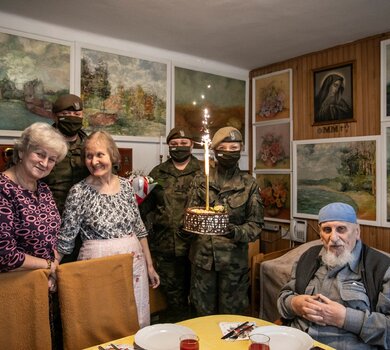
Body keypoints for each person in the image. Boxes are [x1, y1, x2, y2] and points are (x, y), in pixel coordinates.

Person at [56, 131, 160, 328]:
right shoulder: (78, 192)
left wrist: (149, 265)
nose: (94, 161)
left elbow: (139, 228)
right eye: (89, 155)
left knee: (134, 320)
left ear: (112, 155)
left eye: (99, 154)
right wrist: (51, 268)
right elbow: (65, 239)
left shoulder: (127, 186)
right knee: (101, 322)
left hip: (133, 264)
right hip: (97, 266)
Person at [277, 202, 390, 350]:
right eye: (327, 230)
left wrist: (345, 318)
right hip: (298, 343)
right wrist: (295, 304)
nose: (334, 237)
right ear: (321, 234)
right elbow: (283, 299)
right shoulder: (307, 258)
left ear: (357, 232)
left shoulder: (381, 268)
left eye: (341, 229)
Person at [187, 126, 264, 316]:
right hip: (203, 262)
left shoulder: (249, 184)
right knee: (202, 318)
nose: (229, 152)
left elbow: (256, 225)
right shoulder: (200, 180)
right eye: (224, 148)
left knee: (232, 319)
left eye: (234, 148)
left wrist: (234, 231)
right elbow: (189, 216)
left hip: (233, 265)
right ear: (214, 150)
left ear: (241, 149)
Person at [139, 127, 201, 322]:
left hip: (196, 246)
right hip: (166, 247)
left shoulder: (204, 172)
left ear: (192, 145)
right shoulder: (157, 172)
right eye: (174, 145)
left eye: (184, 144)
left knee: (199, 297)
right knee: (174, 301)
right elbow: (144, 208)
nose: (179, 147)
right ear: (168, 147)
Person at [0, 122, 68, 290]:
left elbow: (54, 236)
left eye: (52, 159)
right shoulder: (3, 189)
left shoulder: (43, 189)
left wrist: (50, 272)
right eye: (40, 154)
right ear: (22, 151)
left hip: (42, 283)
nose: (44, 163)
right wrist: (49, 265)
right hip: (13, 287)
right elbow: (4, 254)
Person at [43, 93, 90, 264]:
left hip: (85, 229)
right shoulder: (41, 144)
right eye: (66, 115)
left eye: (77, 115)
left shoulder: (91, 146)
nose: (73, 118)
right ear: (54, 116)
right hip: (50, 228)